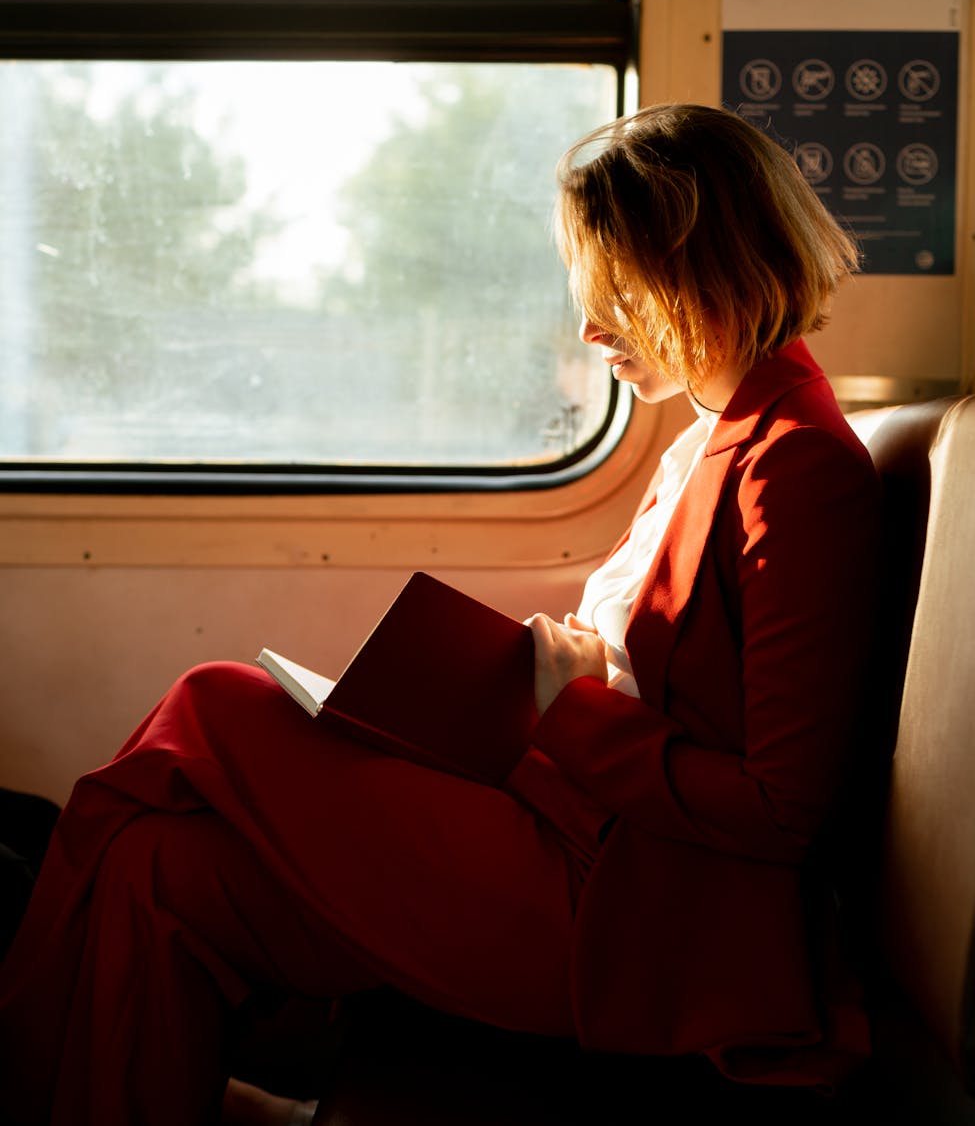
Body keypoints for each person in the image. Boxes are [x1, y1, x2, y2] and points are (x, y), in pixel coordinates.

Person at [0, 103, 881, 1126]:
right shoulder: (704, 442)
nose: (592, 329)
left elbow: (781, 808)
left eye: (615, 296)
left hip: (634, 898)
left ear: (696, 270)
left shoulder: (800, 465)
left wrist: (568, 709)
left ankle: (16, 1032)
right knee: (161, 868)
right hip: (575, 821)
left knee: (217, 703)